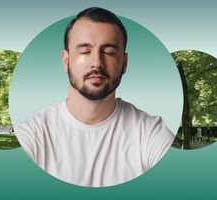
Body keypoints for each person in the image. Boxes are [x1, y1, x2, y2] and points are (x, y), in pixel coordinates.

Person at [14, 7, 174, 187]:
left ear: (124, 63)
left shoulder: (151, 132)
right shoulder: (32, 134)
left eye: (109, 52)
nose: (97, 62)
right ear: (66, 61)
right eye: (84, 51)